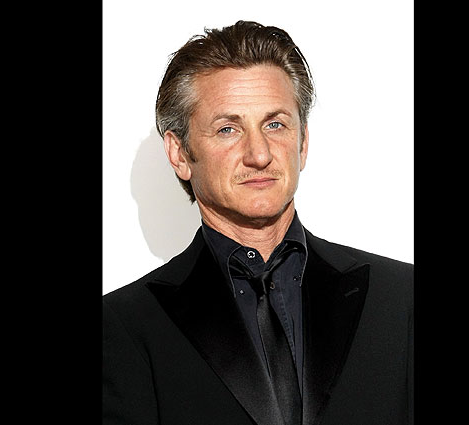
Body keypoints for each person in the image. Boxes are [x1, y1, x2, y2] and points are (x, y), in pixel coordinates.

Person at [102, 20, 413, 425]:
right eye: (228, 129)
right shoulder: (122, 327)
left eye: (275, 124)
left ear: (302, 143)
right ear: (179, 154)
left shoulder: (401, 299)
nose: (260, 154)